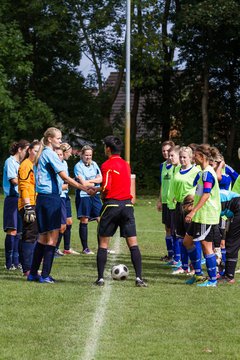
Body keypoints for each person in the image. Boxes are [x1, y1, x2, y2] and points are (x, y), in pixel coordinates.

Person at [27, 127, 91, 284]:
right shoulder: (50, 154)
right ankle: (45, 275)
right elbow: (65, 177)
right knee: (52, 239)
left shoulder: (42, 153)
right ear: (50, 139)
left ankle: (33, 273)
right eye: (58, 138)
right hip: (51, 199)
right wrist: (84, 188)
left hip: (41, 198)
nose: (60, 141)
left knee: (42, 238)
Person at [95, 135, 147, 287]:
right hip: (127, 206)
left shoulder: (106, 165)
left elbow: (107, 187)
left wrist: (99, 192)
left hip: (111, 206)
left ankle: (100, 279)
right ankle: (139, 278)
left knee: (103, 243)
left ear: (108, 149)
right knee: (133, 244)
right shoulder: (126, 164)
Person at [183, 144, 221, 287]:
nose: (193, 157)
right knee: (187, 242)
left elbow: (206, 195)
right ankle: (198, 275)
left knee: (206, 247)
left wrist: (193, 211)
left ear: (201, 157)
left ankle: (212, 280)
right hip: (200, 215)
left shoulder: (207, 173)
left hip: (206, 215)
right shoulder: (202, 172)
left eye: (195, 155)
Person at [171, 146, 200, 275]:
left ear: (191, 158)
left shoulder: (196, 171)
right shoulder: (176, 169)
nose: (182, 160)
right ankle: (183, 266)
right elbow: (174, 184)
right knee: (180, 237)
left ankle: (194, 267)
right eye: (181, 157)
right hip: (178, 205)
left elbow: (201, 188)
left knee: (192, 238)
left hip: (190, 206)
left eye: (185, 157)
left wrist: (192, 200)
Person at [3, 139, 30, 270]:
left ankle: (17, 261)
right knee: (12, 231)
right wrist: (27, 185)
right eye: (26, 150)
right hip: (12, 199)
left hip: (21, 199)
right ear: (20, 150)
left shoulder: (22, 163)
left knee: (20, 232)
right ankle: (9, 263)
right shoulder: (10, 162)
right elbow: (14, 180)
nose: (27, 153)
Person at [74, 145, 102, 255]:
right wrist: (94, 181)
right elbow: (83, 183)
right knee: (84, 220)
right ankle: (85, 248)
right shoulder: (78, 166)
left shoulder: (94, 164)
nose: (88, 157)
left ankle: (102, 246)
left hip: (95, 195)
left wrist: (90, 180)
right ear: (82, 154)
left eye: (90, 155)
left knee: (101, 219)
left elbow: (101, 178)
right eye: (86, 155)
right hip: (83, 195)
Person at [18, 140, 40, 276]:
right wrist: (28, 206)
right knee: (30, 235)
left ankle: (28, 265)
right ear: (29, 150)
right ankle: (28, 268)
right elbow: (24, 186)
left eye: (39, 151)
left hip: (34, 202)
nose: (37, 153)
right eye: (35, 150)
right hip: (28, 203)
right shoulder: (26, 165)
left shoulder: (34, 165)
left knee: (31, 234)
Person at [55, 143, 79, 256]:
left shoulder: (64, 163)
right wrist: (71, 184)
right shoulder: (56, 164)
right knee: (62, 226)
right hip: (59, 197)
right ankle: (54, 249)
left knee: (69, 222)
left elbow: (66, 181)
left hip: (65, 196)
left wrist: (72, 181)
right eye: (69, 151)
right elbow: (60, 184)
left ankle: (67, 248)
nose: (70, 153)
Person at [157, 140, 175, 261]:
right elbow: (162, 184)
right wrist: (159, 199)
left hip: (174, 202)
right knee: (167, 229)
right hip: (165, 202)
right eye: (163, 151)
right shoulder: (162, 166)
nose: (165, 153)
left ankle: (177, 256)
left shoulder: (177, 166)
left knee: (175, 230)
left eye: (168, 150)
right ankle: (170, 255)